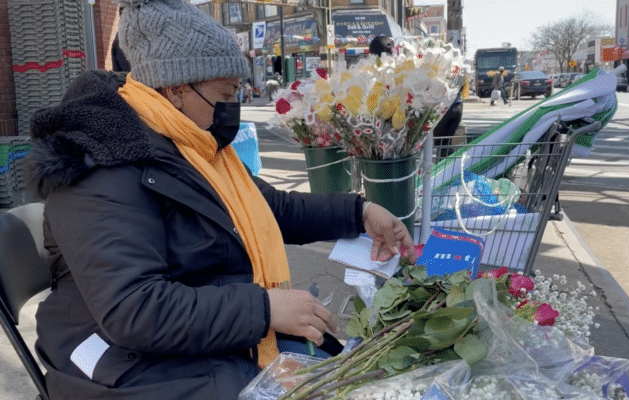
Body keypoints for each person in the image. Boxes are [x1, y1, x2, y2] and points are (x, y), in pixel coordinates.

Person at [26, 0, 417, 398]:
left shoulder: (189, 142)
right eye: (226, 93)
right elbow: (135, 310)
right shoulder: (102, 163)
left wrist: (360, 212)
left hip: (191, 331)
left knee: (346, 370)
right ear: (176, 88)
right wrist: (264, 309)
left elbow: (269, 208)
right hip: (123, 358)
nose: (234, 107)